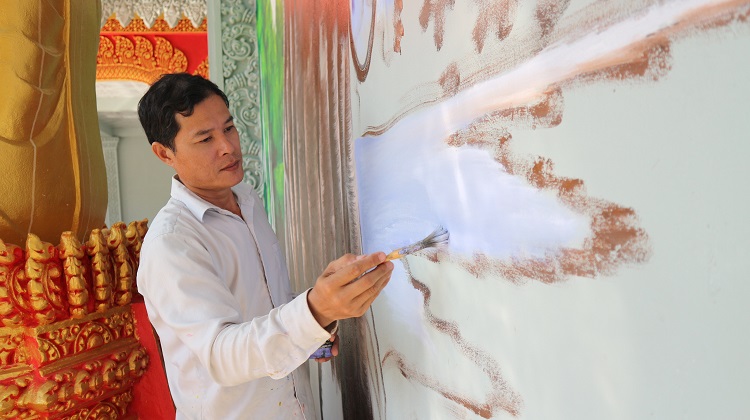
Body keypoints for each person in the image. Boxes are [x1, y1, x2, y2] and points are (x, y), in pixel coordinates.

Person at [136, 73, 394, 419]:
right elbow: (221, 355)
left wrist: (313, 328)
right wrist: (313, 311)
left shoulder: (247, 200)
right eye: (205, 138)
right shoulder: (171, 244)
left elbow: (267, 306)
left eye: (229, 128)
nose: (228, 146)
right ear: (164, 153)